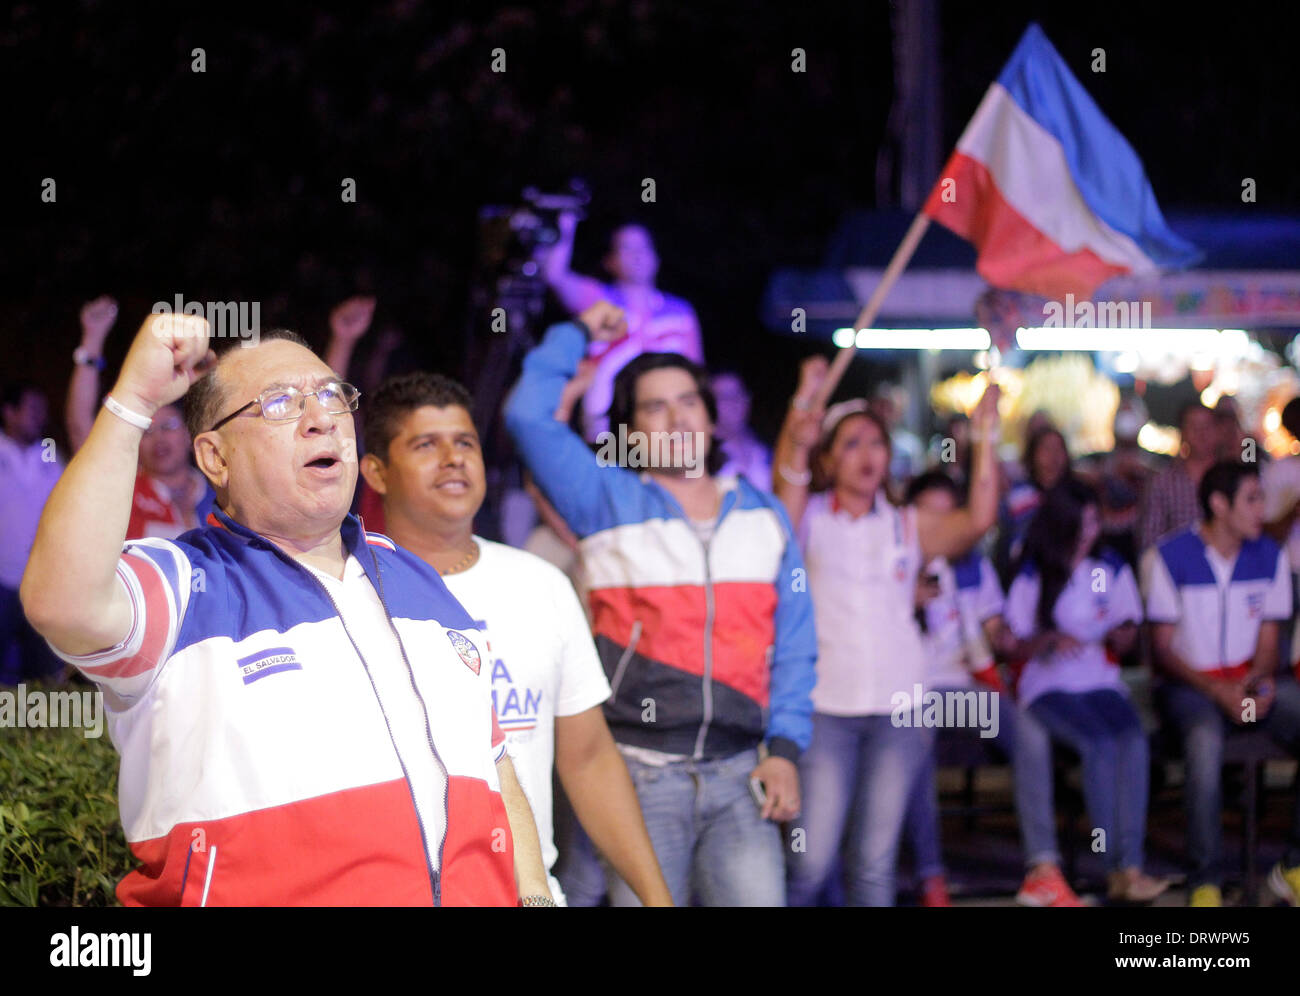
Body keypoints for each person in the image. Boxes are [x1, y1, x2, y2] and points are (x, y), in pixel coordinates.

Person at [20, 312, 550, 906]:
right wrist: (132, 402)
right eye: (280, 403)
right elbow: (60, 601)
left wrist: (534, 896)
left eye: (332, 396)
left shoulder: (419, 582)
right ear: (215, 458)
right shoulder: (182, 583)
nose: (322, 417)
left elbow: (495, 761)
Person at [505, 300, 815, 907]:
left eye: (688, 401)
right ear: (630, 428)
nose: (675, 417)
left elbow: (797, 643)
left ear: (710, 417)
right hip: (637, 774)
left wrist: (784, 751)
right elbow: (525, 415)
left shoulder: (763, 513)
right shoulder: (602, 497)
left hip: (742, 771)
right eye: (653, 406)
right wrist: (577, 333)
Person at [358, 370, 672, 906]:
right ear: (378, 472)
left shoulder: (542, 584)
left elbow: (589, 759)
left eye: (465, 443)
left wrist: (656, 897)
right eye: (426, 445)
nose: (453, 458)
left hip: (529, 894)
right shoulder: (350, 594)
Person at [770, 356, 1000, 906]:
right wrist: (802, 409)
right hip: (825, 708)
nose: (867, 453)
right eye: (850, 443)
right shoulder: (807, 521)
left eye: (875, 441)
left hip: (902, 709)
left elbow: (978, 519)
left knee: (874, 868)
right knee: (811, 862)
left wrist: (987, 434)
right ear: (826, 459)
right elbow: (786, 485)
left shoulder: (905, 523)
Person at [903, 472, 1082, 907]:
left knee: (1029, 734)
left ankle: (1042, 869)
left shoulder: (973, 565)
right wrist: (906, 602)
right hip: (904, 695)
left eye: (951, 513)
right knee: (915, 742)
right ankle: (932, 879)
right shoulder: (889, 565)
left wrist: (1012, 639)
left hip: (961, 693)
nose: (942, 524)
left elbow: (995, 631)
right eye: (930, 514)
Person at [1002, 478, 1169, 904]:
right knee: (1098, 745)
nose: (1091, 530)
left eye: (1095, 520)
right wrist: (1049, 640)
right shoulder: (1034, 568)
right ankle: (1108, 861)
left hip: (1100, 681)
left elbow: (1123, 621)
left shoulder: (1106, 568)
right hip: (1049, 686)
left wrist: (1120, 633)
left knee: (1131, 741)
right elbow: (1012, 640)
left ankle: (1129, 866)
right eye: (1083, 522)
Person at [1141, 460, 1300, 906]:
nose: (1262, 509)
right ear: (1219, 504)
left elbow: (1270, 637)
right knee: (1204, 741)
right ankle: (1205, 881)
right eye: (1252, 499)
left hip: (1247, 686)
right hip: (1190, 689)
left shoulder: (1269, 555)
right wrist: (1216, 691)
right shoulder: (1171, 556)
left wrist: (1260, 680)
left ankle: (1293, 867)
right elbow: (1164, 650)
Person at [540, 213, 703, 440]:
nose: (637, 255)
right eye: (627, 248)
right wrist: (566, 222)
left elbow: (696, 374)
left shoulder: (680, 312)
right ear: (610, 261)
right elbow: (554, 275)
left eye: (643, 248)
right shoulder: (598, 301)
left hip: (670, 432)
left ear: (656, 257)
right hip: (609, 430)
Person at [67, 296, 215, 539]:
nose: (158, 438)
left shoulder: (221, 494)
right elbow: (80, 425)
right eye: (146, 431)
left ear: (190, 434)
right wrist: (92, 338)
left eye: (168, 426)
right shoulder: (123, 490)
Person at [0, 380, 63, 685]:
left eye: (43, 410)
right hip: (2, 582)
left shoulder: (49, 455)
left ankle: (40, 730)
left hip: (41, 583)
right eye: (32, 409)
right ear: (9, 412)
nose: (41, 416)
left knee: (44, 672)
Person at [993, 425, 1073, 587]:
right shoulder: (1017, 496)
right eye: (1046, 448)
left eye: (1059, 449)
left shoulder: (1076, 496)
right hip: (1023, 583)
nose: (1053, 456)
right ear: (1032, 454)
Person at [1139, 401, 1218, 553]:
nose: (1202, 434)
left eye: (1207, 426)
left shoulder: (1232, 479)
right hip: (1177, 569)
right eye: (1194, 427)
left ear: (1217, 431)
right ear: (1182, 432)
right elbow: (1149, 540)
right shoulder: (1163, 482)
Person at [711, 371, 772, 492]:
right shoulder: (702, 455)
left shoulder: (764, 449)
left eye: (738, 395)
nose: (734, 404)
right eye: (724, 397)